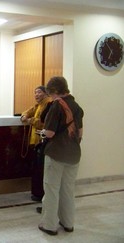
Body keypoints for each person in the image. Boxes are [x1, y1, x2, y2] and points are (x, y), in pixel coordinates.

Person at [37, 76, 84, 236]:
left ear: (55, 91)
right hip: (74, 155)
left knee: (51, 189)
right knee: (68, 190)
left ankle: (49, 225)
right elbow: (80, 133)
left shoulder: (57, 106)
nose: (50, 96)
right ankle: (68, 223)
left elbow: (49, 132)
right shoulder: (77, 106)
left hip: (56, 154)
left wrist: (42, 132)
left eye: (50, 93)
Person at [20, 86, 51, 202]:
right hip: (36, 141)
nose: (36, 95)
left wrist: (29, 120)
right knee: (36, 170)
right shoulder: (38, 105)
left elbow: (42, 123)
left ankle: (40, 195)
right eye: (35, 93)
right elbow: (28, 111)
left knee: (40, 171)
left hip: (42, 142)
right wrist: (24, 116)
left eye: (39, 92)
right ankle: (37, 194)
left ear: (46, 93)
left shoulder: (48, 104)